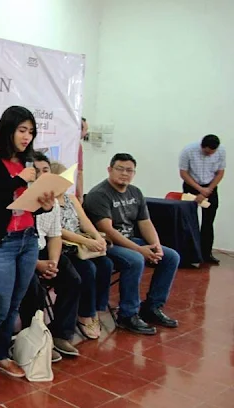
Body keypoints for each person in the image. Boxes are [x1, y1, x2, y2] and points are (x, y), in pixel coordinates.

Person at [0, 106, 54, 387]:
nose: (27, 137)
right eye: (22, 130)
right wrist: (18, 180)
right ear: (8, 129)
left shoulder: (28, 161)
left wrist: (45, 205)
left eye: (31, 132)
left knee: (14, 305)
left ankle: (1, 355)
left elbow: (27, 203)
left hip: (27, 239)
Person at [85, 153, 180, 335]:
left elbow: (145, 222)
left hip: (130, 240)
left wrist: (156, 246)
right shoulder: (99, 194)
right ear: (109, 170)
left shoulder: (135, 192)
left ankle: (152, 307)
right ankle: (127, 314)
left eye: (129, 170)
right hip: (107, 244)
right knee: (135, 259)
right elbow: (107, 230)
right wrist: (139, 250)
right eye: (120, 169)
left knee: (171, 257)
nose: (124, 173)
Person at [18, 154, 82, 359]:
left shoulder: (51, 201)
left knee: (72, 280)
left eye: (45, 170)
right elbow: (15, 244)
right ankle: (33, 339)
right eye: (36, 171)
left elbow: (55, 235)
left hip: (44, 250)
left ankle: (60, 334)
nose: (41, 175)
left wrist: (53, 262)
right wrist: (37, 264)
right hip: (20, 254)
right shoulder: (19, 200)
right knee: (34, 289)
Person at [51, 161, 113, 340]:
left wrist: (98, 238)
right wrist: (86, 241)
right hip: (66, 246)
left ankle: (96, 309)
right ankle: (85, 314)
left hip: (83, 244)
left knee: (106, 264)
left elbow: (85, 222)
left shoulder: (71, 198)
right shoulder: (48, 201)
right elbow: (57, 230)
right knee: (88, 269)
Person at [179, 134, 226, 265]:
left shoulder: (221, 151)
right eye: (207, 152)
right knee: (188, 221)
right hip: (192, 185)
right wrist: (199, 189)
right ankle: (188, 254)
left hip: (210, 187)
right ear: (202, 146)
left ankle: (206, 254)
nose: (210, 154)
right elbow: (183, 173)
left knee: (208, 222)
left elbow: (220, 172)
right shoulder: (188, 150)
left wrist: (208, 190)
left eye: (212, 152)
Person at [76, 117, 88, 202]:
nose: (86, 133)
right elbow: (79, 172)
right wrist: (80, 196)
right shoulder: (77, 146)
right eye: (85, 130)